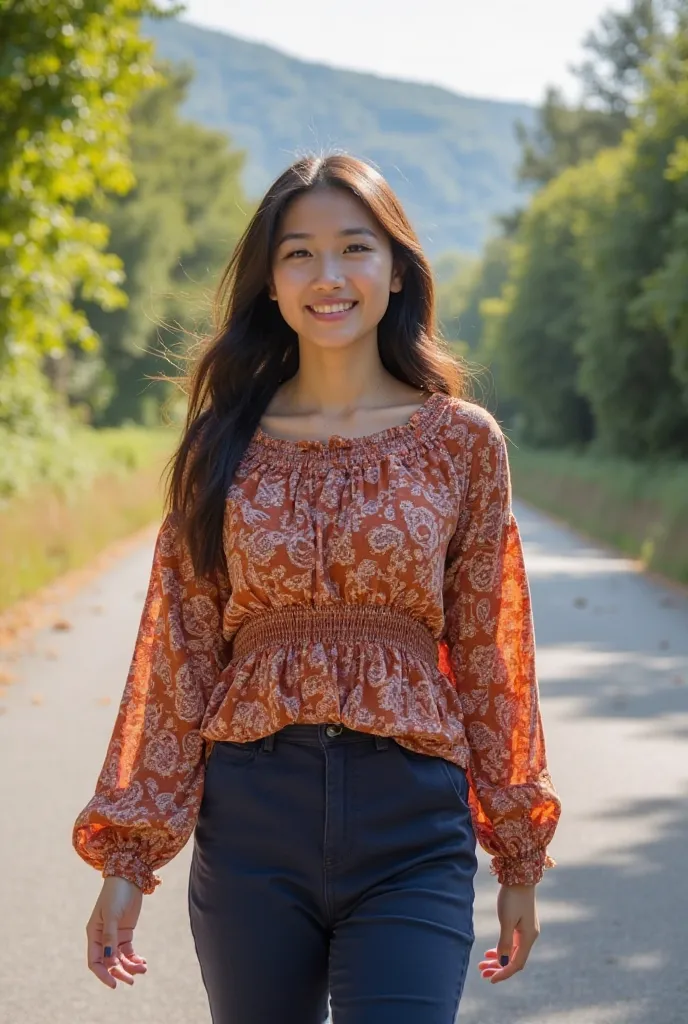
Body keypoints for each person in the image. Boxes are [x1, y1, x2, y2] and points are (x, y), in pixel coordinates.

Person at [72, 153, 561, 1023]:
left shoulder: (463, 444)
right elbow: (178, 655)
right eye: (298, 253)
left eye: (354, 248)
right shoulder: (222, 447)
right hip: (253, 820)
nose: (327, 276)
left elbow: (493, 656)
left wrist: (518, 856)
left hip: (412, 821)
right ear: (268, 281)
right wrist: (127, 861)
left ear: (396, 268)